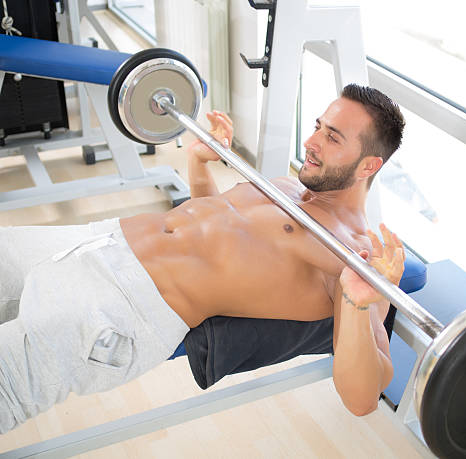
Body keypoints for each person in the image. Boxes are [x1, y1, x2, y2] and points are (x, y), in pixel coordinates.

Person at [0, 84, 406, 433]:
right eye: (318, 126)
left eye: (333, 138)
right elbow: (221, 234)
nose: (311, 141)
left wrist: (355, 298)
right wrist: (198, 161)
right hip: (99, 238)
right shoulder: (287, 184)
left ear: (369, 165)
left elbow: (363, 396)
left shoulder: (355, 256)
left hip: (123, 307)